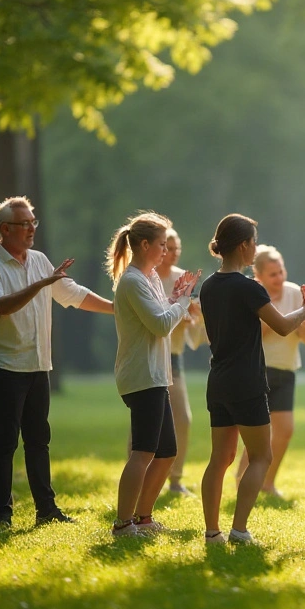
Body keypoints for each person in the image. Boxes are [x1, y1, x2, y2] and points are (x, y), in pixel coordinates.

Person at [0, 196, 114, 530]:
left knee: (39, 439)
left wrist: (118, 308)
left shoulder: (38, 259)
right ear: (5, 229)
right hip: (4, 364)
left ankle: (46, 510)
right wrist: (40, 284)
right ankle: (2, 516)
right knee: (6, 441)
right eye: (25, 224)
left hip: (38, 364)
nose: (32, 228)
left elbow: (73, 294)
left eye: (34, 222)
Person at [199, 214, 305, 545]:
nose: (255, 247)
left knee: (220, 459)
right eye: (253, 242)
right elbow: (281, 325)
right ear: (243, 246)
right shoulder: (248, 287)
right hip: (246, 382)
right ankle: (239, 530)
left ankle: (212, 532)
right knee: (262, 456)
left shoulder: (208, 286)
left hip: (218, 380)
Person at [107, 213, 199, 537]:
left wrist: (176, 297)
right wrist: (185, 300)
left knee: (166, 453)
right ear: (145, 245)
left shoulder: (152, 279)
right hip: (141, 376)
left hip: (157, 376)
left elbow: (162, 314)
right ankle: (122, 523)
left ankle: (143, 518)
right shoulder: (132, 281)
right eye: (162, 244)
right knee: (144, 452)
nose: (166, 250)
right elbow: (160, 324)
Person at [235, 244, 305, 499]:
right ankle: (242, 481)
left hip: (286, 369)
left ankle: (268, 484)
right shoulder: (253, 294)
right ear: (258, 275)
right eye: (272, 274)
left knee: (285, 430)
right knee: (259, 432)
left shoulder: (295, 292)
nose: (279, 278)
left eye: (280, 271)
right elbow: (252, 335)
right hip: (259, 370)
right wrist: (279, 319)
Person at [156, 228, 206, 497]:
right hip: (151, 355)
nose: (173, 253)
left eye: (176, 248)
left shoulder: (183, 277)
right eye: (168, 247)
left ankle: (175, 480)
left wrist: (193, 317)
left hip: (173, 357)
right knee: (144, 420)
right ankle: (140, 475)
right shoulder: (146, 276)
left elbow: (194, 331)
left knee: (183, 419)